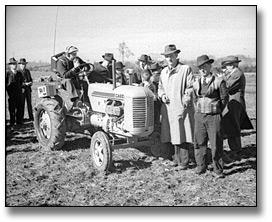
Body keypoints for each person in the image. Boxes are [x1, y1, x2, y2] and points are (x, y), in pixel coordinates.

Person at [158, 44, 195, 169]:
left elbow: (191, 87)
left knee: (182, 132)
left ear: (176, 55)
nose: (169, 59)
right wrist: (162, 95)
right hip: (168, 108)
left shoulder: (185, 69)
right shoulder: (163, 72)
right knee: (171, 133)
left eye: (171, 56)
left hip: (180, 106)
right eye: (167, 56)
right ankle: (175, 158)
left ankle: (184, 161)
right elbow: (160, 87)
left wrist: (186, 99)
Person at [192, 55, 229, 177]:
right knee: (199, 142)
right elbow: (194, 98)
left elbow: (224, 98)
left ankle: (217, 169)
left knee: (216, 144)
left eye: (205, 66)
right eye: (200, 67)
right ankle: (201, 166)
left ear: (210, 66)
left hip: (214, 117)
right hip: (199, 116)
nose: (203, 69)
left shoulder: (219, 81)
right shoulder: (196, 82)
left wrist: (216, 110)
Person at [221, 56, 253, 161]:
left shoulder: (237, 74)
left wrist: (221, 79)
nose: (226, 67)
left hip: (235, 103)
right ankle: (234, 149)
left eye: (228, 65)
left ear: (233, 65)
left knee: (234, 126)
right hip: (232, 102)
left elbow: (227, 86)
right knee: (231, 126)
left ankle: (236, 150)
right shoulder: (233, 74)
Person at [56, 46, 89, 111]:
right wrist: (75, 68)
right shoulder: (61, 61)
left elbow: (85, 64)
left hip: (74, 79)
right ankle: (76, 100)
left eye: (76, 54)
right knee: (68, 81)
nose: (75, 56)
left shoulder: (76, 59)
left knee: (85, 84)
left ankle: (86, 101)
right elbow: (65, 75)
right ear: (68, 54)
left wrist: (85, 67)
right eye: (73, 54)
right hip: (63, 81)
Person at [6, 58, 24, 126]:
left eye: (15, 64)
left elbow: (21, 82)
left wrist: (22, 90)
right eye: (13, 64)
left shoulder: (19, 73)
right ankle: (12, 121)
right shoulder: (7, 73)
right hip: (11, 94)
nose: (14, 65)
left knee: (19, 107)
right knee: (12, 108)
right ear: (10, 65)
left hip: (18, 93)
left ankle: (19, 121)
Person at [150, 63, 162, 128]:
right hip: (161, 98)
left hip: (154, 99)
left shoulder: (152, 78)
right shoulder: (163, 76)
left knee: (155, 115)